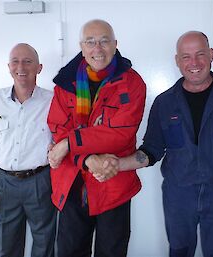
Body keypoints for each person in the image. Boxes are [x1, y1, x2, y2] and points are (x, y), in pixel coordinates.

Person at [91, 31, 213, 257]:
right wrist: (117, 164)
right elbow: (151, 151)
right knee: (180, 252)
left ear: (211, 55)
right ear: (177, 60)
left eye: (200, 54)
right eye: (186, 56)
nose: (194, 63)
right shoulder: (165, 102)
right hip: (178, 197)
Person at [47, 19, 146, 257]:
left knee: (112, 252)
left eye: (104, 41)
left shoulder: (132, 83)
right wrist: (88, 159)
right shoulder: (64, 83)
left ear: (115, 45)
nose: (97, 49)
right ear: (81, 46)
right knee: (70, 251)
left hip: (113, 183)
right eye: (90, 42)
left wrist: (70, 143)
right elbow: (59, 128)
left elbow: (121, 134)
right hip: (71, 182)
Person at [0, 43, 56, 257]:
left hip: (41, 182)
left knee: (45, 243)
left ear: (39, 67)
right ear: (9, 66)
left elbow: (62, 139)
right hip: (5, 184)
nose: (21, 66)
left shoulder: (53, 101)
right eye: (15, 61)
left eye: (28, 61)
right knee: (7, 246)